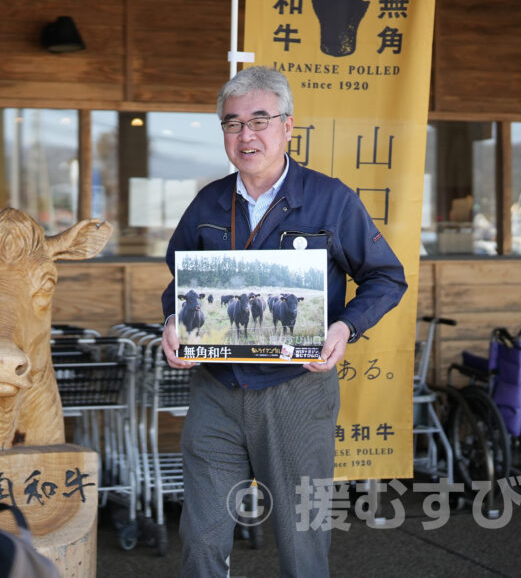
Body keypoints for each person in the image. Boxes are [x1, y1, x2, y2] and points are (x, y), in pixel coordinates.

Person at [160, 66, 407, 577]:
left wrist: (345, 327)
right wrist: (171, 320)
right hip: (216, 391)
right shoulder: (207, 202)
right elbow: (178, 282)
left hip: (297, 392)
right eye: (232, 124)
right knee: (202, 538)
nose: (246, 135)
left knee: (302, 543)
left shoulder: (331, 199)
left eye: (259, 120)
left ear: (288, 126)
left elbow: (385, 277)